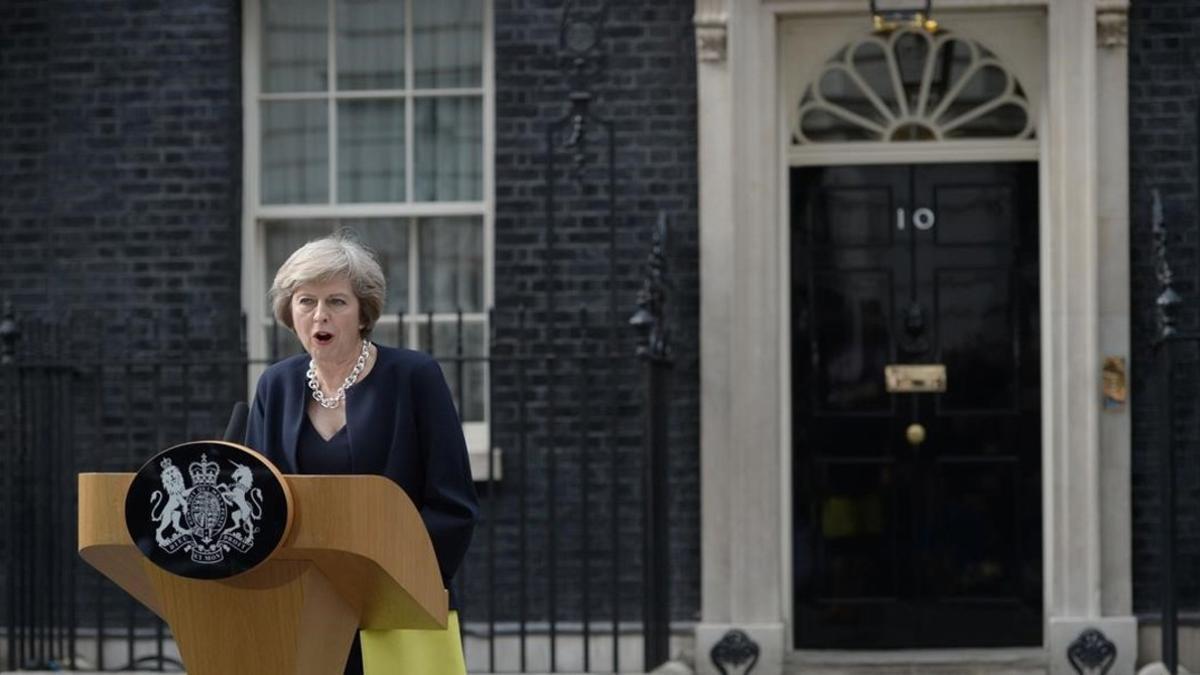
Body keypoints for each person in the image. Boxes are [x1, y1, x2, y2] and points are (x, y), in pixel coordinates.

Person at [245, 233, 478, 675]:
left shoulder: (415, 377)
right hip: (304, 608)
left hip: (394, 604)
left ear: (363, 311)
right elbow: (262, 502)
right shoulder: (275, 386)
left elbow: (454, 503)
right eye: (305, 301)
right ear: (288, 312)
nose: (320, 315)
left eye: (336, 301)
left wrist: (376, 576)